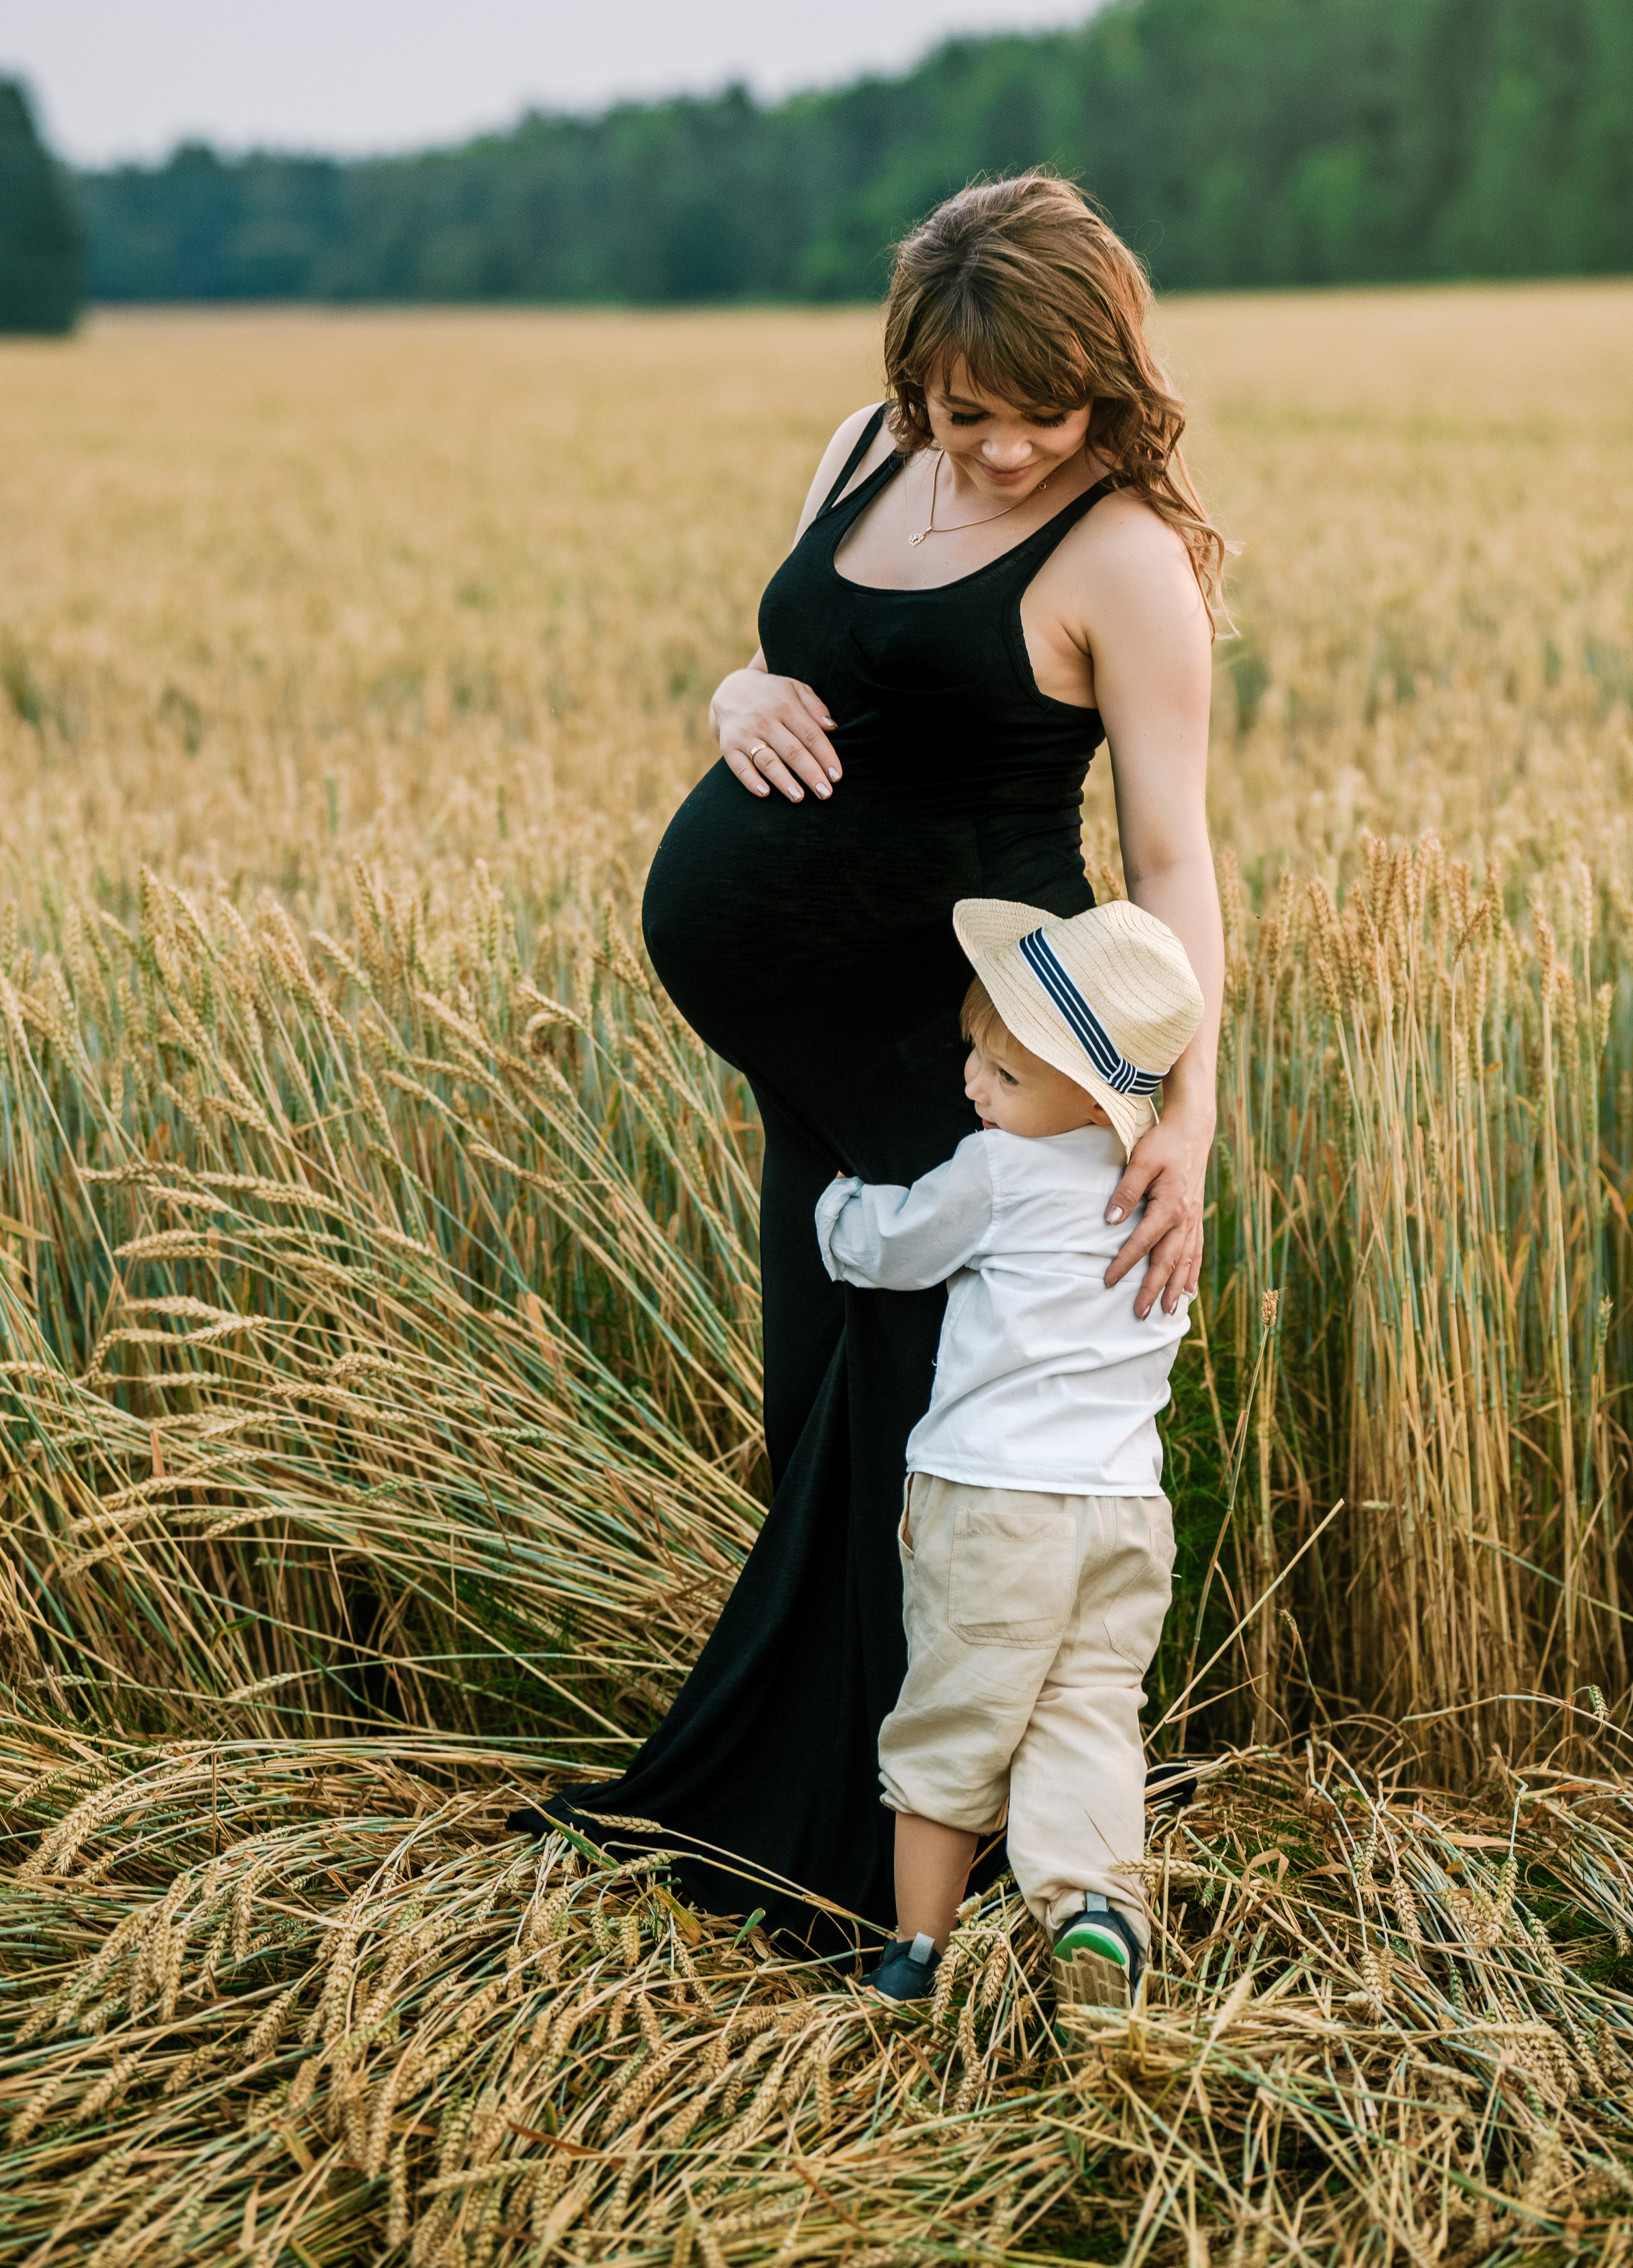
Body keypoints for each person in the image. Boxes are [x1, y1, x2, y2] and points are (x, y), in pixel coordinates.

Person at [548, 171, 1226, 1955]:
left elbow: (1172, 861)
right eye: (966, 413)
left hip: (976, 1062)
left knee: (947, 1462)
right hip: (820, 1077)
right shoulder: (865, 446)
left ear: (1107, 380)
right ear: (915, 376)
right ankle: (818, 1816)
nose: (997, 453)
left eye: (1041, 416)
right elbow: (801, 671)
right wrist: (728, 699)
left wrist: (1190, 1116)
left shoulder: (1125, 558)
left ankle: (959, 1888)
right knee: (827, 1422)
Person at [814, 896, 1202, 2013]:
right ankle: (1093, 1918)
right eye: (975, 1056)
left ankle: (915, 1955)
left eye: (1007, 1075)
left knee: (953, 1720)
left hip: (995, 1507)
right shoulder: (1165, 1208)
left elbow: (891, 1249)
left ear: (1094, 1097)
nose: (976, 1087)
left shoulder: (997, 1175)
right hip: (1126, 1513)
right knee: (1089, 1715)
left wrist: (832, 1208)